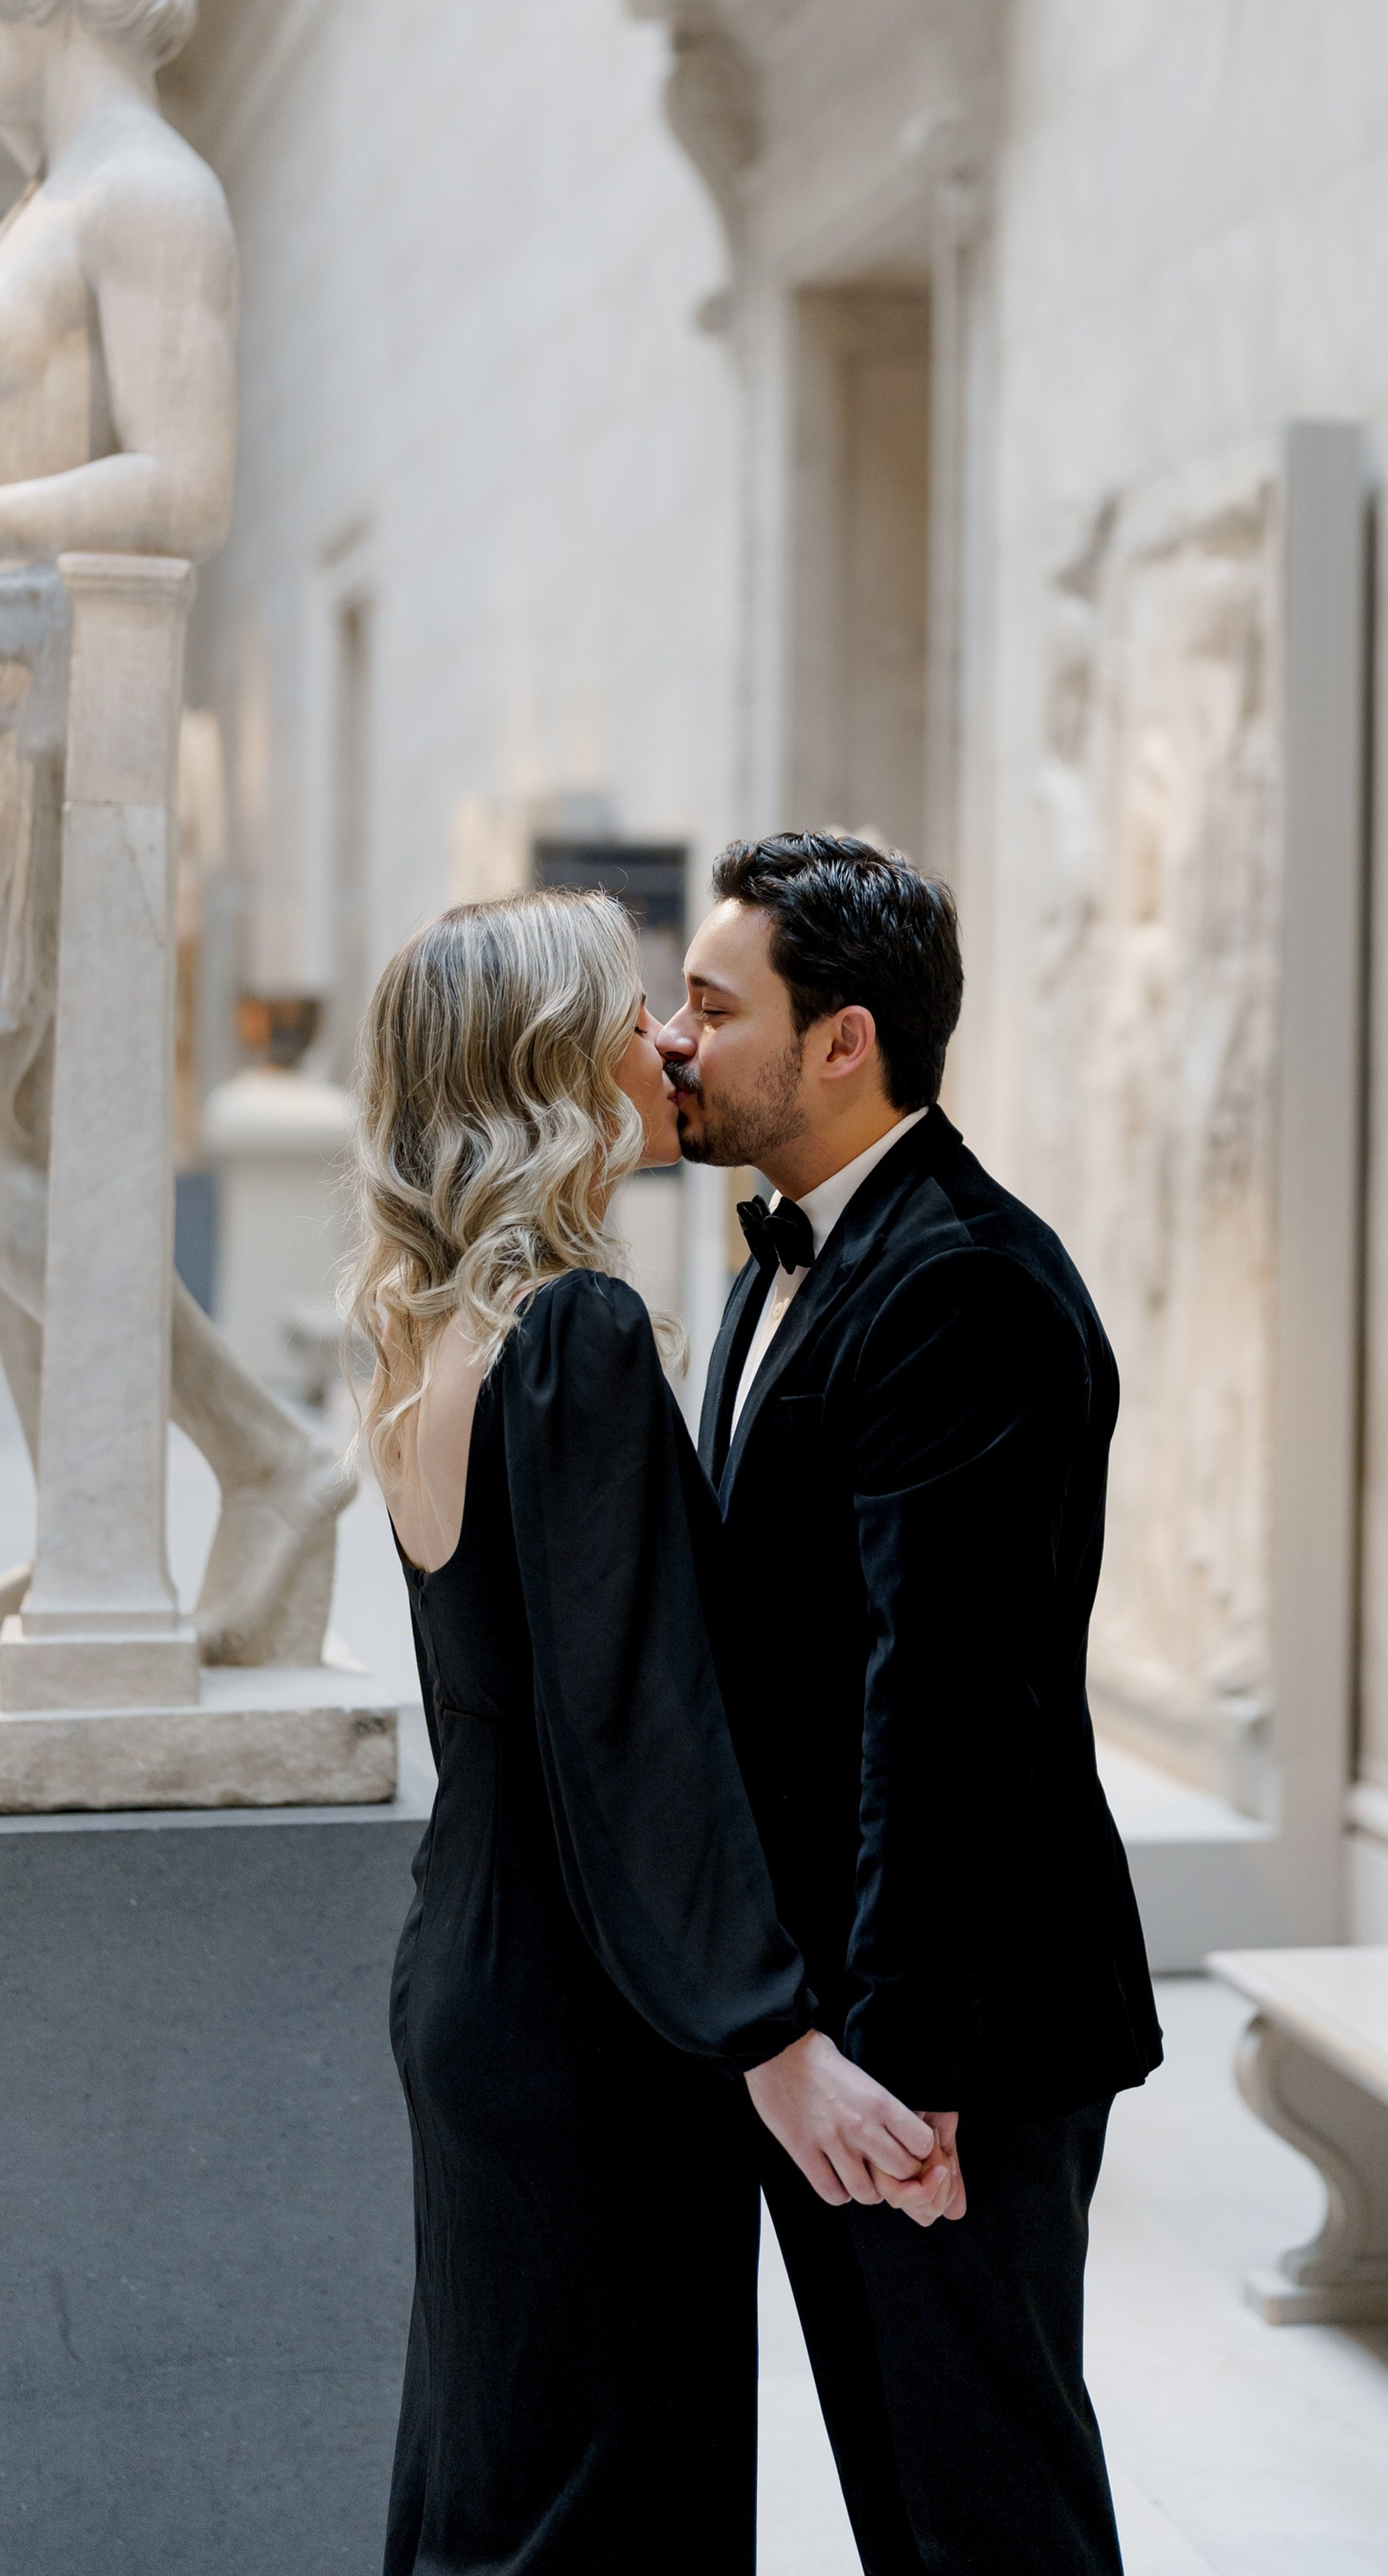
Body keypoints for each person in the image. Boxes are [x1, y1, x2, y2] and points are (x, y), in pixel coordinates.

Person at [344, 888, 958, 2575]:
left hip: (473, 1984)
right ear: (555, 1061)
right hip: (589, 2029)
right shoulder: (577, 1335)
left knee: (498, 2483)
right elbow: (634, 1734)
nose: (663, 1041)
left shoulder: (427, 1332)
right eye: (630, 1011)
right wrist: (777, 2044)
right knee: (606, 2511)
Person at [0, 0, 342, 1659]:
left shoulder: (149, 199)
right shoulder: (62, 192)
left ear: (46, 9)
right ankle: (88, 1551)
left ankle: (262, 1459)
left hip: (23, 713)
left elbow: (189, 487)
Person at [659, 832, 1163, 2576]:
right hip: (845, 2011)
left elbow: (944, 1705)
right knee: (905, 2496)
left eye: (712, 1008)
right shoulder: (784, 1257)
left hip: (955, 2031)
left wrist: (898, 2065)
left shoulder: (960, 1286)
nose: (673, 1040)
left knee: (988, 2509)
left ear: (841, 1041)